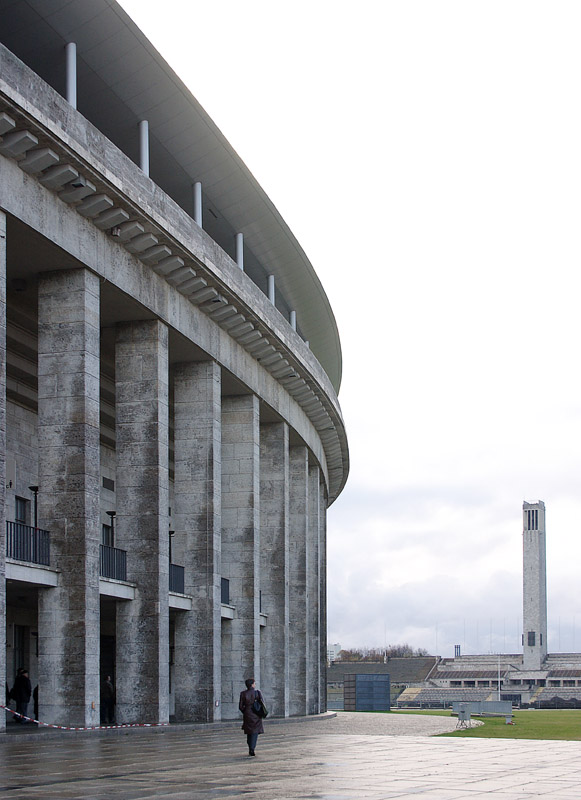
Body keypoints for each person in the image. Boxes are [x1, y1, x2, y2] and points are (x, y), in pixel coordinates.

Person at [239, 677, 264, 756]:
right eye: (254, 683)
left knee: (249, 732)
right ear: (251, 685)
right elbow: (262, 703)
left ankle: (250, 746)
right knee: (254, 732)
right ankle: (252, 748)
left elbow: (240, 706)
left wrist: (246, 711)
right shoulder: (257, 693)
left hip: (247, 714)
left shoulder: (243, 693)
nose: (255, 684)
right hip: (256, 715)